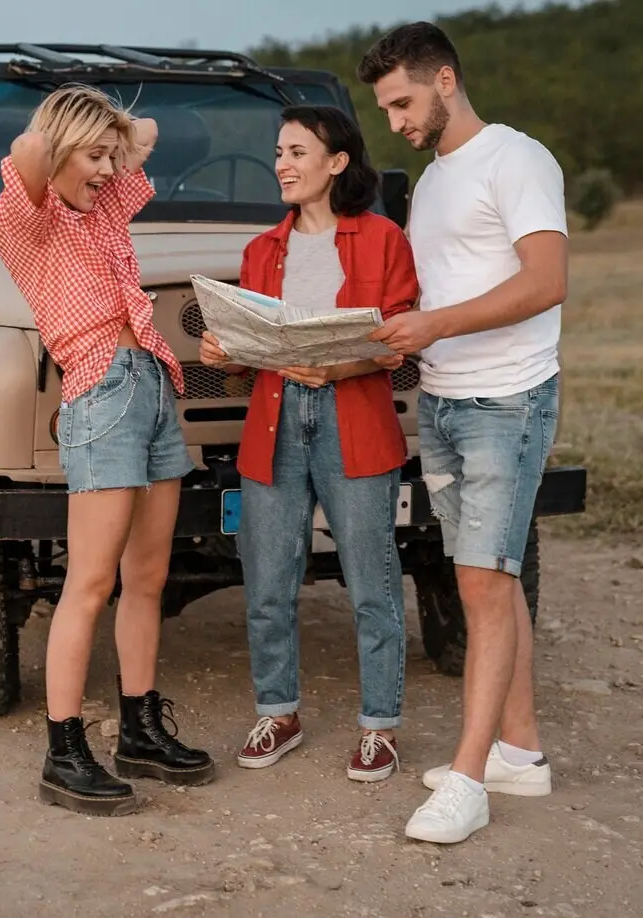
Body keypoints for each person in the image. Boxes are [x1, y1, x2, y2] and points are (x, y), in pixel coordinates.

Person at [357, 22, 570, 844]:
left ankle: (471, 780)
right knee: (494, 577)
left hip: (506, 402)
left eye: (404, 102)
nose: (396, 122)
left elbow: (547, 282)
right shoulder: (437, 179)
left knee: (481, 586)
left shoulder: (516, 158)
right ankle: (521, 753)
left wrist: (435, 322)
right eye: (385, 109)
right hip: (445, 401)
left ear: (445, 79)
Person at [0, 84, 216, 817]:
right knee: (89, 584)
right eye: (91, 157)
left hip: (153, 384)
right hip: (101, 392)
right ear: (57, 151)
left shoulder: (105, 206)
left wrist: (109, 136)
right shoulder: (26, 223)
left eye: (108, 160)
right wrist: (66, 133)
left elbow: (143, 131)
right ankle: (63, 751)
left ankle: (141, 730)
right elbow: (24, 152)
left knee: (147, 577)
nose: (105, 170)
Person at [198, 104, 418, 783]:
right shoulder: (263, 251)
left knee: (371, 582)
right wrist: (223, 349)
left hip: (355, 419)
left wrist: (343, 365)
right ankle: (278, 712)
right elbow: (248, 353)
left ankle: (380, 727)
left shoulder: (382, 239)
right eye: (279, 153)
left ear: (337, 162)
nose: (283, 165)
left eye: (296, 152)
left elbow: (401, 334)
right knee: (267, 581)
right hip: (274, 421)